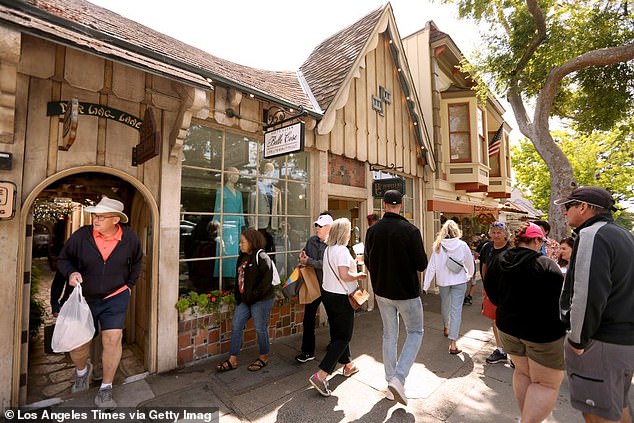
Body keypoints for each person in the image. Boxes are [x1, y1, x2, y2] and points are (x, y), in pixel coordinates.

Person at [555, 186, 634, 423]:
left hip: (600, 342)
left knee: (597, 414)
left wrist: (578, 340)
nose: (565, 212)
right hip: (623, 341)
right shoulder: (624, 235)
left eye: (569, 206)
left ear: (583, 207)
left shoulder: (591, 235)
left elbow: (586, 294)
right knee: (617, 406)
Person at [57, 196, 143, 409]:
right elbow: (63, 259)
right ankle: (81, 372)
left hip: (115, 297)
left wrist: (129, 285)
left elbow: (138, 261)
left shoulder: (130, 237)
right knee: (79, 344)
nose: (95, 220)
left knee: (113, 339)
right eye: (95, 216)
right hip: (84, 299)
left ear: (115, 220)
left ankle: (106, 388)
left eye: (101, 217)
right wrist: (71, 272)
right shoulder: (82, 236)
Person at [483, 222, 567, 423]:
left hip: (508, 329)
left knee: (522, 373)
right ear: (537, 240)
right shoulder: (546, 265)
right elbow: (561, 302)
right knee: (545, 384)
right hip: (542, 334)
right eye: (541, 241)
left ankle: (526, 417)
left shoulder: (498, 260)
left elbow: (492, 295)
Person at [364, 190, 428, 406]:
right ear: (401, 205)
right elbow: (422, 264)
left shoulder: (373, 230)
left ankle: (391, 383)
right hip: (406, 293)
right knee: (415, 332)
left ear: (384, 205)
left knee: (389, 335)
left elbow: (367, 260)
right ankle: (398, 379)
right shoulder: (411, 230)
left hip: (382, 291)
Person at [308, 218, 366, 397]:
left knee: (337, 332)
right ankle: (321, 375)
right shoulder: (341, 251)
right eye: (349, 231)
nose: (350, 235)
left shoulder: (328, 250)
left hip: (328, 294)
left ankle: (348, 365)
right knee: (344, 336)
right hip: (342, 298)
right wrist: (359, 275)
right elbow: (344, 275)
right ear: (343, 233)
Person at [215, 228, 275, 373]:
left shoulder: (262, 258)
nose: (240, 245)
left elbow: (265, 284)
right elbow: (239, 279)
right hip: (245, 300)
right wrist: (239, 297)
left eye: (243, 242)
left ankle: (263, 356)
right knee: (236, 324)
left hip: (260, 300)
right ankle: (233, 359)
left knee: (260, 328)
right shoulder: (241, 257)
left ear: (252, 242)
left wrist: (253, 296)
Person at [423, 220, 475, 355]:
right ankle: (453, 343)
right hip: (459, 281)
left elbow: (431, 267)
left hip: (443, 282)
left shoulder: (438, 246)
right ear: (456, 231)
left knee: (445, 305)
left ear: (443, 232)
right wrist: (469, 275)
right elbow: (470, 263)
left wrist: (426, 284)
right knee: (456, 310)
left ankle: (446, 327)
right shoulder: (462, 245)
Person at [295, 212, 333, 363]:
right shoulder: (311, 241)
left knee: (334, 317)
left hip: (329, 287)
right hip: (313, 285)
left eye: (321, 226)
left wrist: (308, 261)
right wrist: (302, 257)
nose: (317, 228)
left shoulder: (333, 245)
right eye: (317, 225)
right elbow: (305, 255)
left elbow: (326, 264)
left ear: (329, 228)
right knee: (308, 319)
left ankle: (336, 345)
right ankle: (307, 351)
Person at [479, 221, 511, 364]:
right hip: (491, 290)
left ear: (505, 234)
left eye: (499, 232)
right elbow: (484, 267)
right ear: (490, 234)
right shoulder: (487, 248)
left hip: (508, 291)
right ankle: (500, 350)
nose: (496, 235)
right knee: (495, 320)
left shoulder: (511, 249)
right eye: (494, 232)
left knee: (509, 321)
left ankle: (514, 353)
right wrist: (485, 287)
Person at [213, 167, 245, 280]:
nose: (237, 177)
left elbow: (240, 211)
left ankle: (234, 276)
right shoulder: (221, 190)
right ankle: (225, 277)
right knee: (225, 251)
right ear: (229, 176)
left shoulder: (239, 194)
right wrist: (217, 223)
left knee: (235, 251)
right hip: (225, 225)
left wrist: (241, 227)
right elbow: (218, 208)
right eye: (235, 174)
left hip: (235, 226)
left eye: (238, 174)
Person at [464, 233, 490, 305]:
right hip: (472, 270)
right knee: (473, 283)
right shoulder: (470, 254)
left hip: (464, 271)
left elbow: (476, 254)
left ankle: (464, 297)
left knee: (465, 284)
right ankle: (469, 296)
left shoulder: (483, 244)